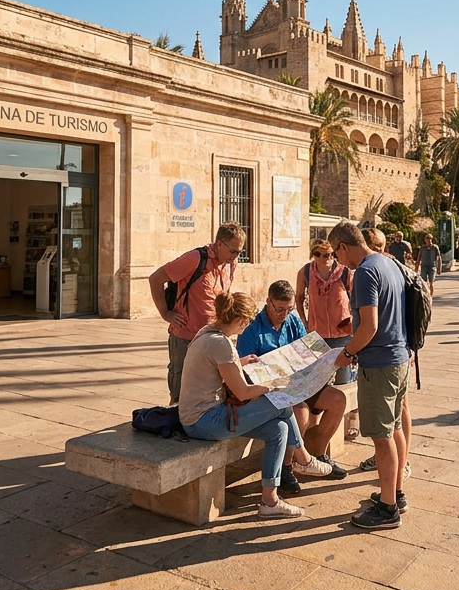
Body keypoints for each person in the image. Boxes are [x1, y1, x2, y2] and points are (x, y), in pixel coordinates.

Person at [178, 292, 334, 518]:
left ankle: (269, 502)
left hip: (200, 416)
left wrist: (240, 362)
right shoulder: (221, 344)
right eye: (248, 320)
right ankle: (304, 458)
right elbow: (243, 392)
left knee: (279, 430)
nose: (249, 324)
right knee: (282, 403)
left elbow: (215, 367)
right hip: (204, 420)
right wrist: (272, 385)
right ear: (240, 320)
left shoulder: (208, 333)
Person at [329, 221, 409, 530]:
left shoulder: (363, 272)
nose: (338, 261)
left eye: (337, 254)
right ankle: (395, 492)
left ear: (344, 247)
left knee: (381, 435)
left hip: (378, 364)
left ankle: (387, 509)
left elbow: (370, 325)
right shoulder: (387, 263)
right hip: (398, 357)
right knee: (395, 427)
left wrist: (347, 354)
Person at [237, 281, 349, 479]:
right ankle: (287, 468)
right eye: (280, 309)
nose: (284, 314)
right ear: (268, 302)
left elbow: (308, 352)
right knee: (301, 411)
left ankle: (318, 454)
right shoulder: (252, 328)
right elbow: (244, 371)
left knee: (338, 399)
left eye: (289, 309)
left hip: (300, 384)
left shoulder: (293, 321)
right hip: (271, 391)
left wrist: (327, 361)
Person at [149, 222, 244, 404]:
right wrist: (165, 314)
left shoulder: (230, 264)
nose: (235, 257)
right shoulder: (194, 258)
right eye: (233, 251)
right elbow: (155, 279)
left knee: (207, 390)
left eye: (239, 252)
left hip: (213, 338)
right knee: (180, 391)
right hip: (187, 335)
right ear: (219, 244)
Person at [296, 241, 355, 385]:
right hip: (317, 332)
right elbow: (298, 297)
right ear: (313, 255)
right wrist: (304, 320)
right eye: (318, 254)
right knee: (318, 377)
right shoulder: (305, 272)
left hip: (342, 332)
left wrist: (354, 320)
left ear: (333, 255)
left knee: (343, 377)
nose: (323, 258)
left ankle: (343, 403)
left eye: (328, 254)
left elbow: (356, 298)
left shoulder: (345, 272)